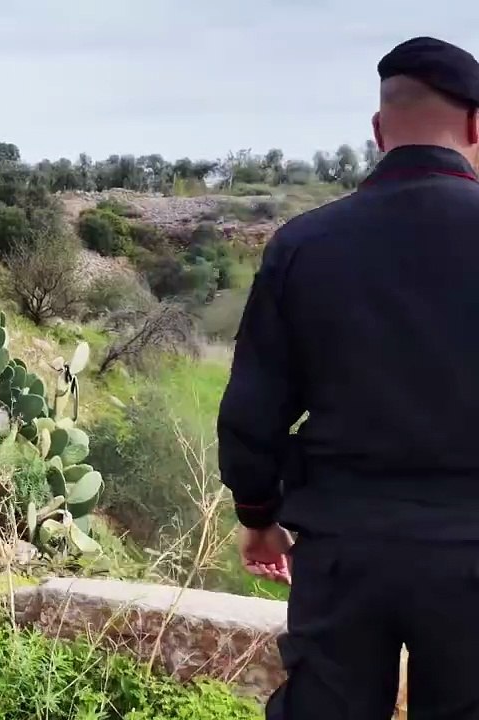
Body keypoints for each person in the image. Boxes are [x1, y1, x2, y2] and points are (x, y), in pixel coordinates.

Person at [217, 36, 479, 718]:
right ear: (477, 126)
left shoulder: (305, 244)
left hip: (343, 551)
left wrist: (258, 514)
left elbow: (254, 406)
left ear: (378, 130)